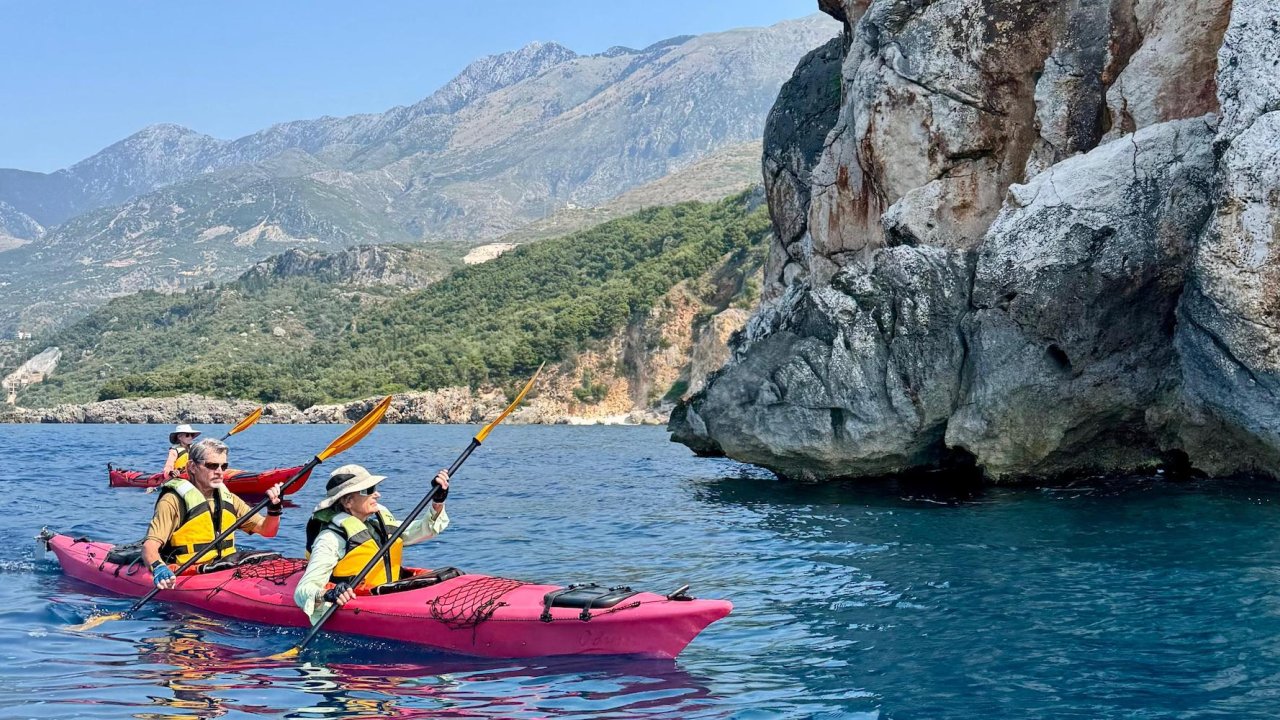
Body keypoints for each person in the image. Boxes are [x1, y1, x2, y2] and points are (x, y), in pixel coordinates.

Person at [294, 464, 450, 624]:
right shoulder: (330, 539)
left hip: (391, 595)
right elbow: (303, 591)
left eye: (374, 488)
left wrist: (438, 502)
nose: (377, 494)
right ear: (348, 501)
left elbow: (426, 528)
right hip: (359, 606)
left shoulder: (376, 527)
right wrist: (329, 594)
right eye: (368, 490)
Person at [143, 437, 284, 589]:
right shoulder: (172, 501)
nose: (219, 472)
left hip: (225, 569)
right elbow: (149, 546)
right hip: (189, 571)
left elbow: (268, 531)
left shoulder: (230, 499)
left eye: (223, 467)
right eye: (212, 466)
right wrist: (159, 567)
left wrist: (274, 509)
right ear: (192, 467)